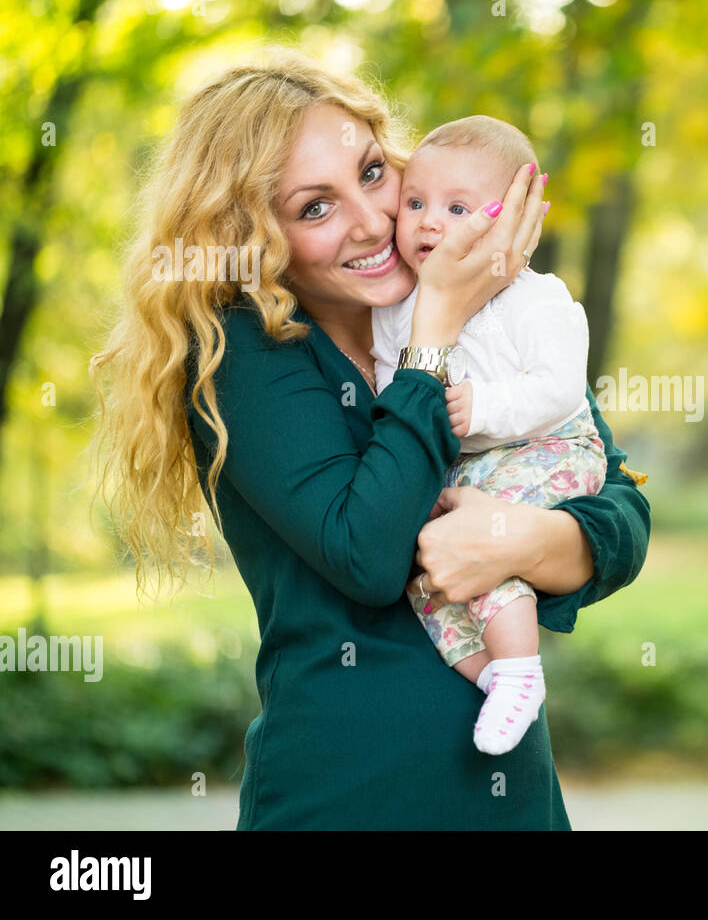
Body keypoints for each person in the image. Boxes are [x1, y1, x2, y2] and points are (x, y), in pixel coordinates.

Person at [88, 49, 651, 829]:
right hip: (345, 797)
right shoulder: (244, 353)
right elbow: (368, 553)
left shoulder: (485, 301)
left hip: (510, 800)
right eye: (315, 208)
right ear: (257, 238)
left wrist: (519, 538)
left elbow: (618, 507)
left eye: (374, 173)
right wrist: (433, 337)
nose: (372, 220)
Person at [372, 115, 607, 756]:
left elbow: (560, 390)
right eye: (414, 203)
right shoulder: (397, 311)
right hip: (470, 473)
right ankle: (495, 678)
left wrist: (481, 407)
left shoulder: (536, 299)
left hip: (548, 451)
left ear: (512, 219)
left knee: (484, 544)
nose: (427, 222)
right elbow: (389, 388)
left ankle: (522, 666)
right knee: (429, 578)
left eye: (456, 208)